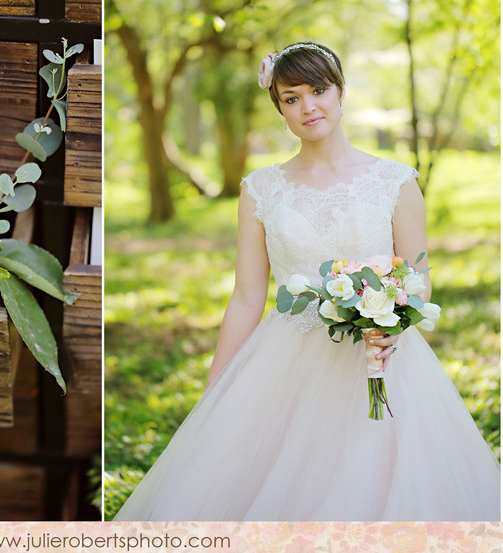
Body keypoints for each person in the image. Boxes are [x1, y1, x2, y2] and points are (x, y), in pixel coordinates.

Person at [113, 42, 500, 520]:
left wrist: (392, 321)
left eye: (318, 90)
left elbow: (418, 273)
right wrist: (218, 388)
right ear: (279, 108)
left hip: (380, 354)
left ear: (340, 92)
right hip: (286, 358)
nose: (308, 107)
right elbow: (247, 295)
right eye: (291, 97)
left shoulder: (395, 181)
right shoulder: (261, 188)